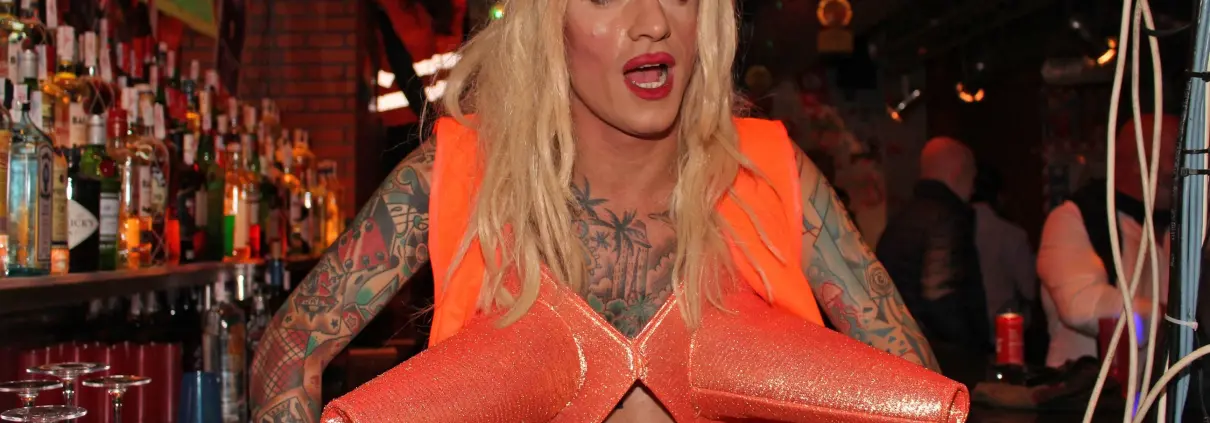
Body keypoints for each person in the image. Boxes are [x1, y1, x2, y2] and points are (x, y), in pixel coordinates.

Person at [248, 0, 968, 420]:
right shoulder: (459, 174)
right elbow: (288, 351)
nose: (651, 22)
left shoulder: (769, 173)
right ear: (547, 24)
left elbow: (917, 393)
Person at [1038, 114, 1176, 368]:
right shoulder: (1074, 217)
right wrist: (1172, 317)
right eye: (1176, 156)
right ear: (1141, 161)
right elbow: (1082, 306)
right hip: (1087, 389)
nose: (1186, 168)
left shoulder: (1179, 228)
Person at [877, 137, 991, 356]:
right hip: (938, 357)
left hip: (898, 349)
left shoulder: (899, 219)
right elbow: (940, 296)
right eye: (972, 175)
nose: (973, 187)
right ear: (958, 172)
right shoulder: (947, 219)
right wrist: (972, 347)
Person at [971, 165, 1037, 343]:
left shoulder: (952, 228)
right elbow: (1029, 289)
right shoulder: (1012, 234)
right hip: (1005, 332)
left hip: (964, 332)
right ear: (1000, 196)